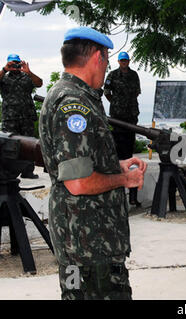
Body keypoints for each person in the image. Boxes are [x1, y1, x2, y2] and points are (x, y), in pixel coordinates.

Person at [39, 26, 147, 300]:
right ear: (98, 57)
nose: (107, 66)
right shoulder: (74, 104)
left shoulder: (70, 95)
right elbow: (78, 182)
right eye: (107, 59)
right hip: (91, 245)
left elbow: (80, 162)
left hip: (80, 243)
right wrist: (125, 179)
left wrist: (115, 166)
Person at [104, 51, 142, 207]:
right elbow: (106, 92)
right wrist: (117, 103)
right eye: (122, 61)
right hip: (117, 118)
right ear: (119, 62)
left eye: (126, 60)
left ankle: (132, 197)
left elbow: (137, 92)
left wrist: (127, 103)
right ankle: (117, 195)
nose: (124, 63)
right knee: (117, 155)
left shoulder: (134, 75)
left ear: (128, 61)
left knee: (129, 155)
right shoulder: (112, 75)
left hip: (131, 117)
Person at [0, 53, 43, 179]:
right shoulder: (4, 78)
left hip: (26, 115)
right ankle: (8, 172)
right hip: (10, 116)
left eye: (17, 63)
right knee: (8, 144)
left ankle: (27, 171)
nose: (15, 66)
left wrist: (29, 72)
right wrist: (4, 69)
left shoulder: (26, 77)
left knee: (29, 143)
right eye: (12, 63)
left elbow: (39, 83)